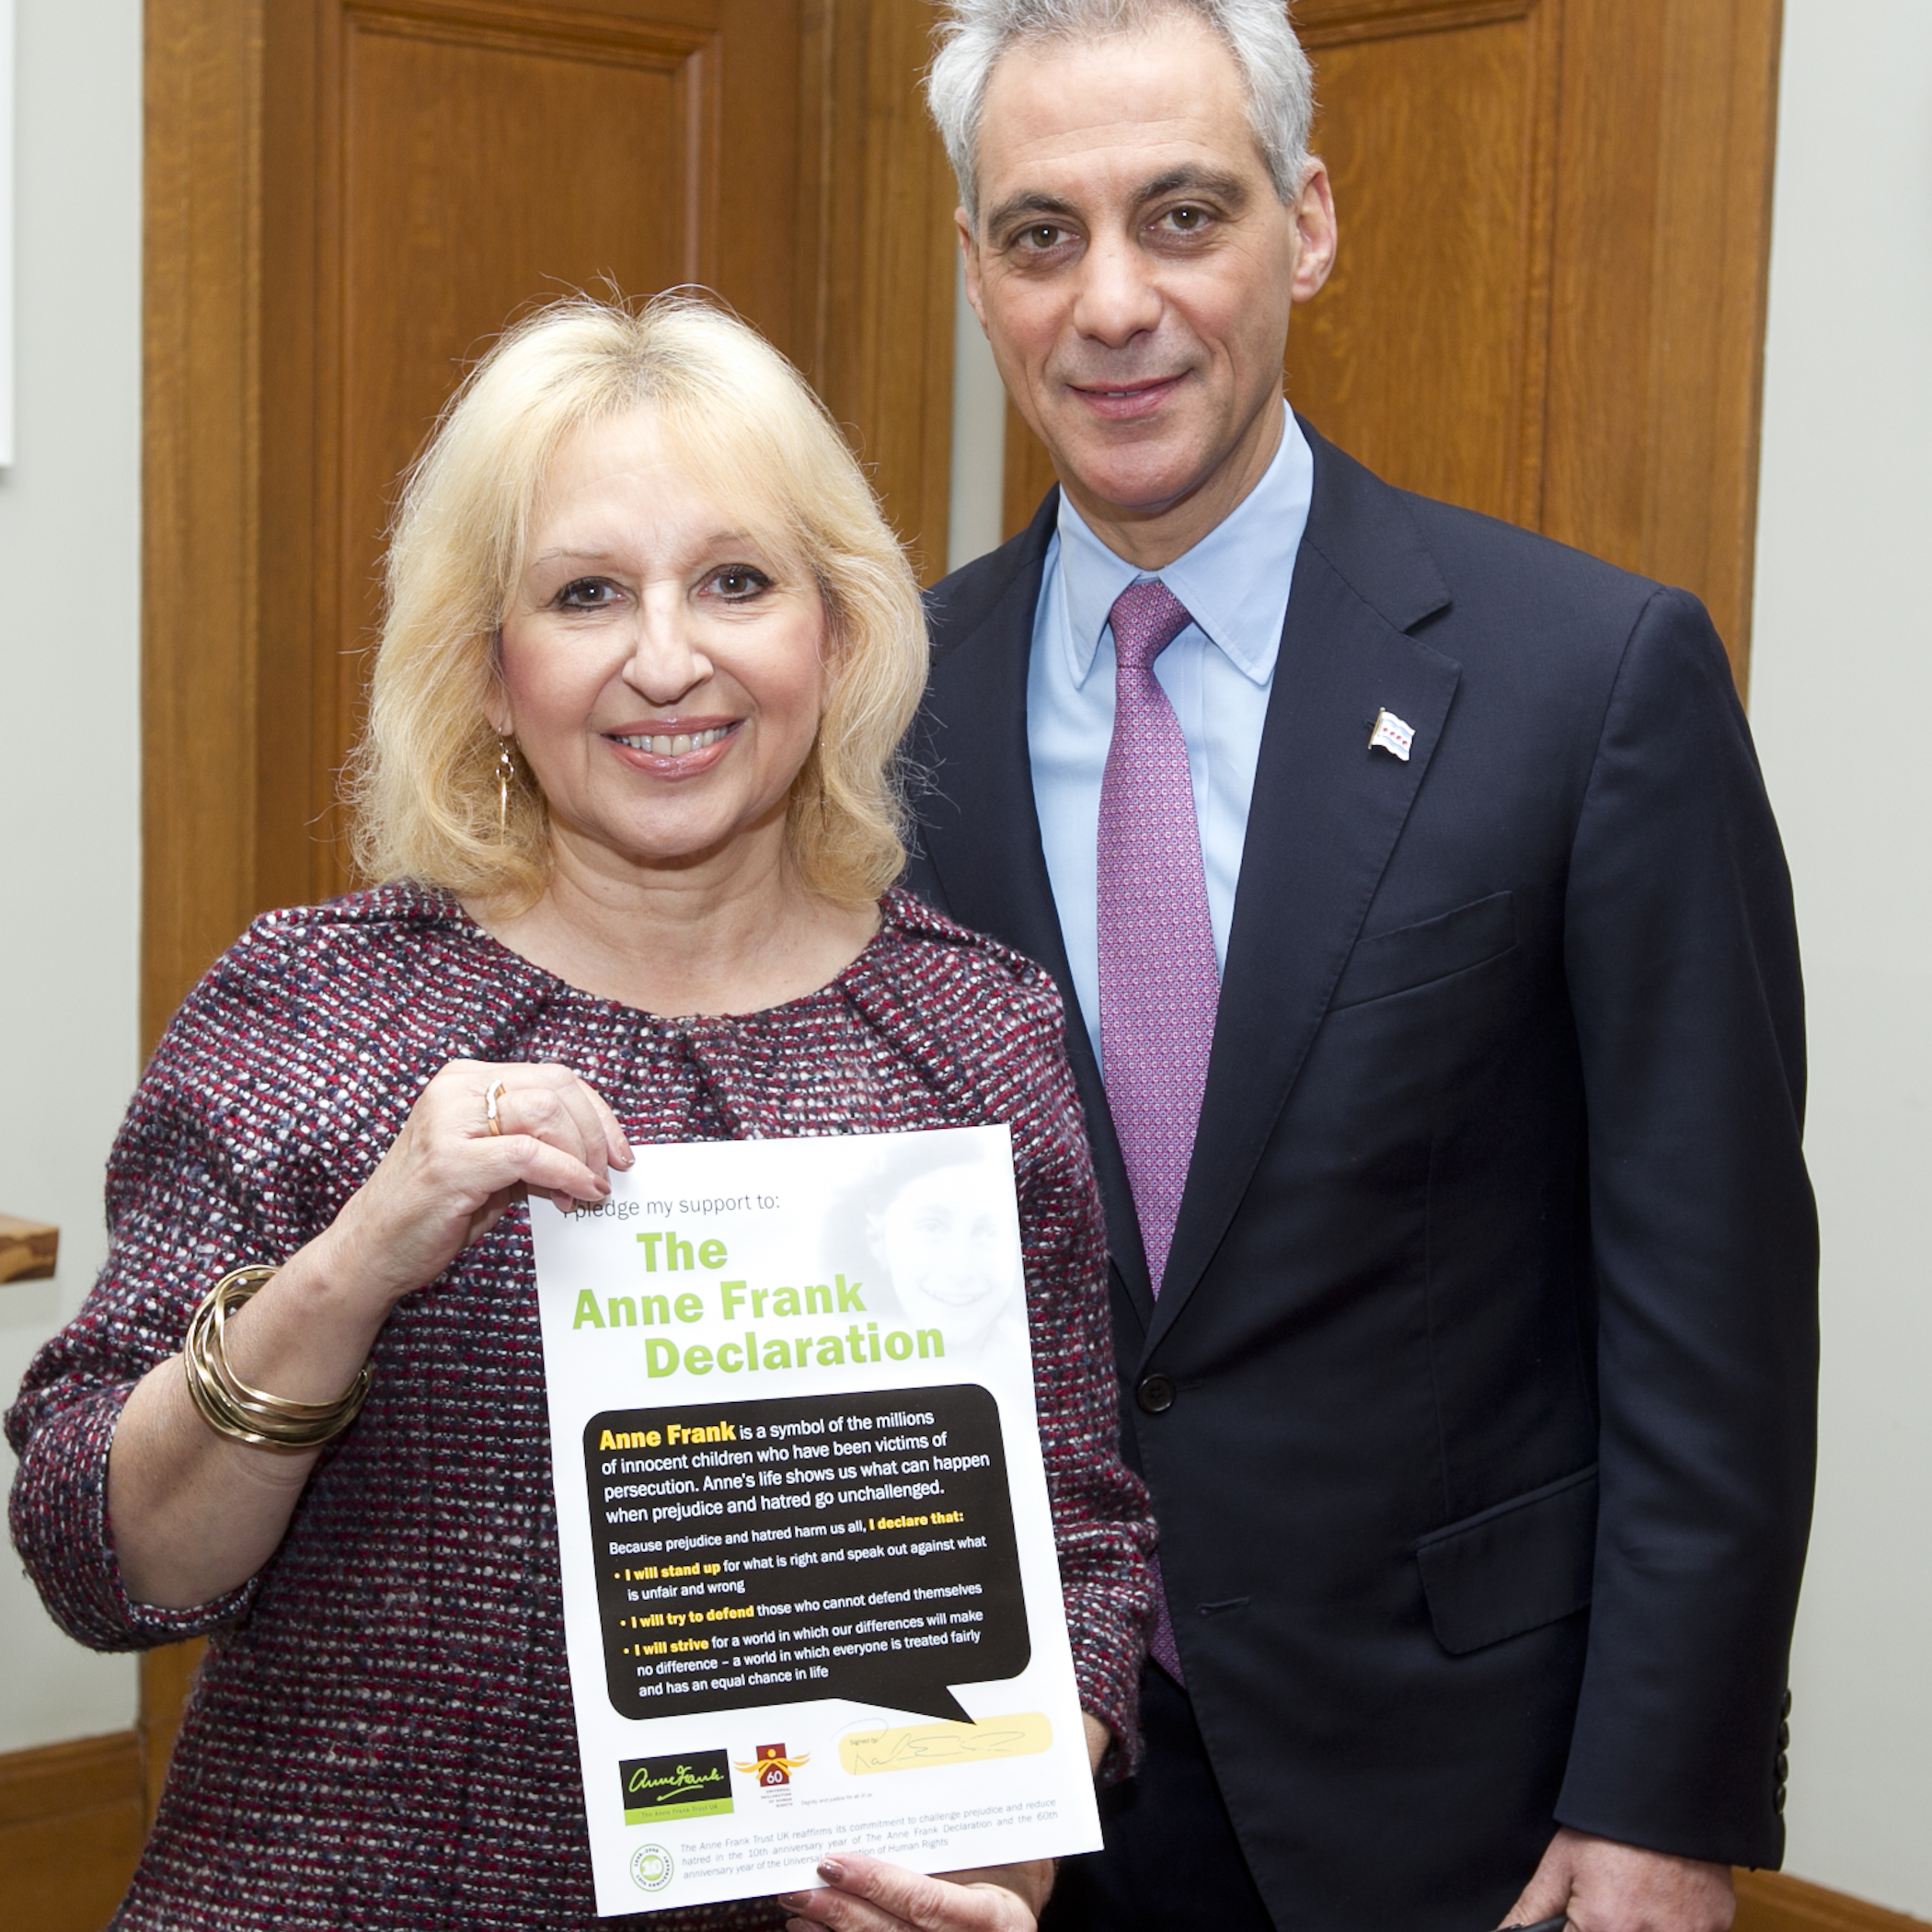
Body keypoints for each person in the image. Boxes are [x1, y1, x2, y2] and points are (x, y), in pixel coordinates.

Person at [6, 295, 1154, 1932]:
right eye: (586, 593)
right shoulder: (315, 1010)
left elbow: (1081, 1541)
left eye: (737, 582)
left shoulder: (973, 1028)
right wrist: (350, 1269)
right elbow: (93, 1559)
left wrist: (998, 1842)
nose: (667, 657)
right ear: (488, 664)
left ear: (835, 634)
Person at [906, 5, 1818, 1930]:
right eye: (1042, 234)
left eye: (1183, 214)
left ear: (1304, 223)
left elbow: (1712, 1318)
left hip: (1462, 1801)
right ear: (978, 270)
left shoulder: (1589, 681)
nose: (1114, 303)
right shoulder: (880, 716)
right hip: (1000, 1796)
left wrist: (1666, 1801)